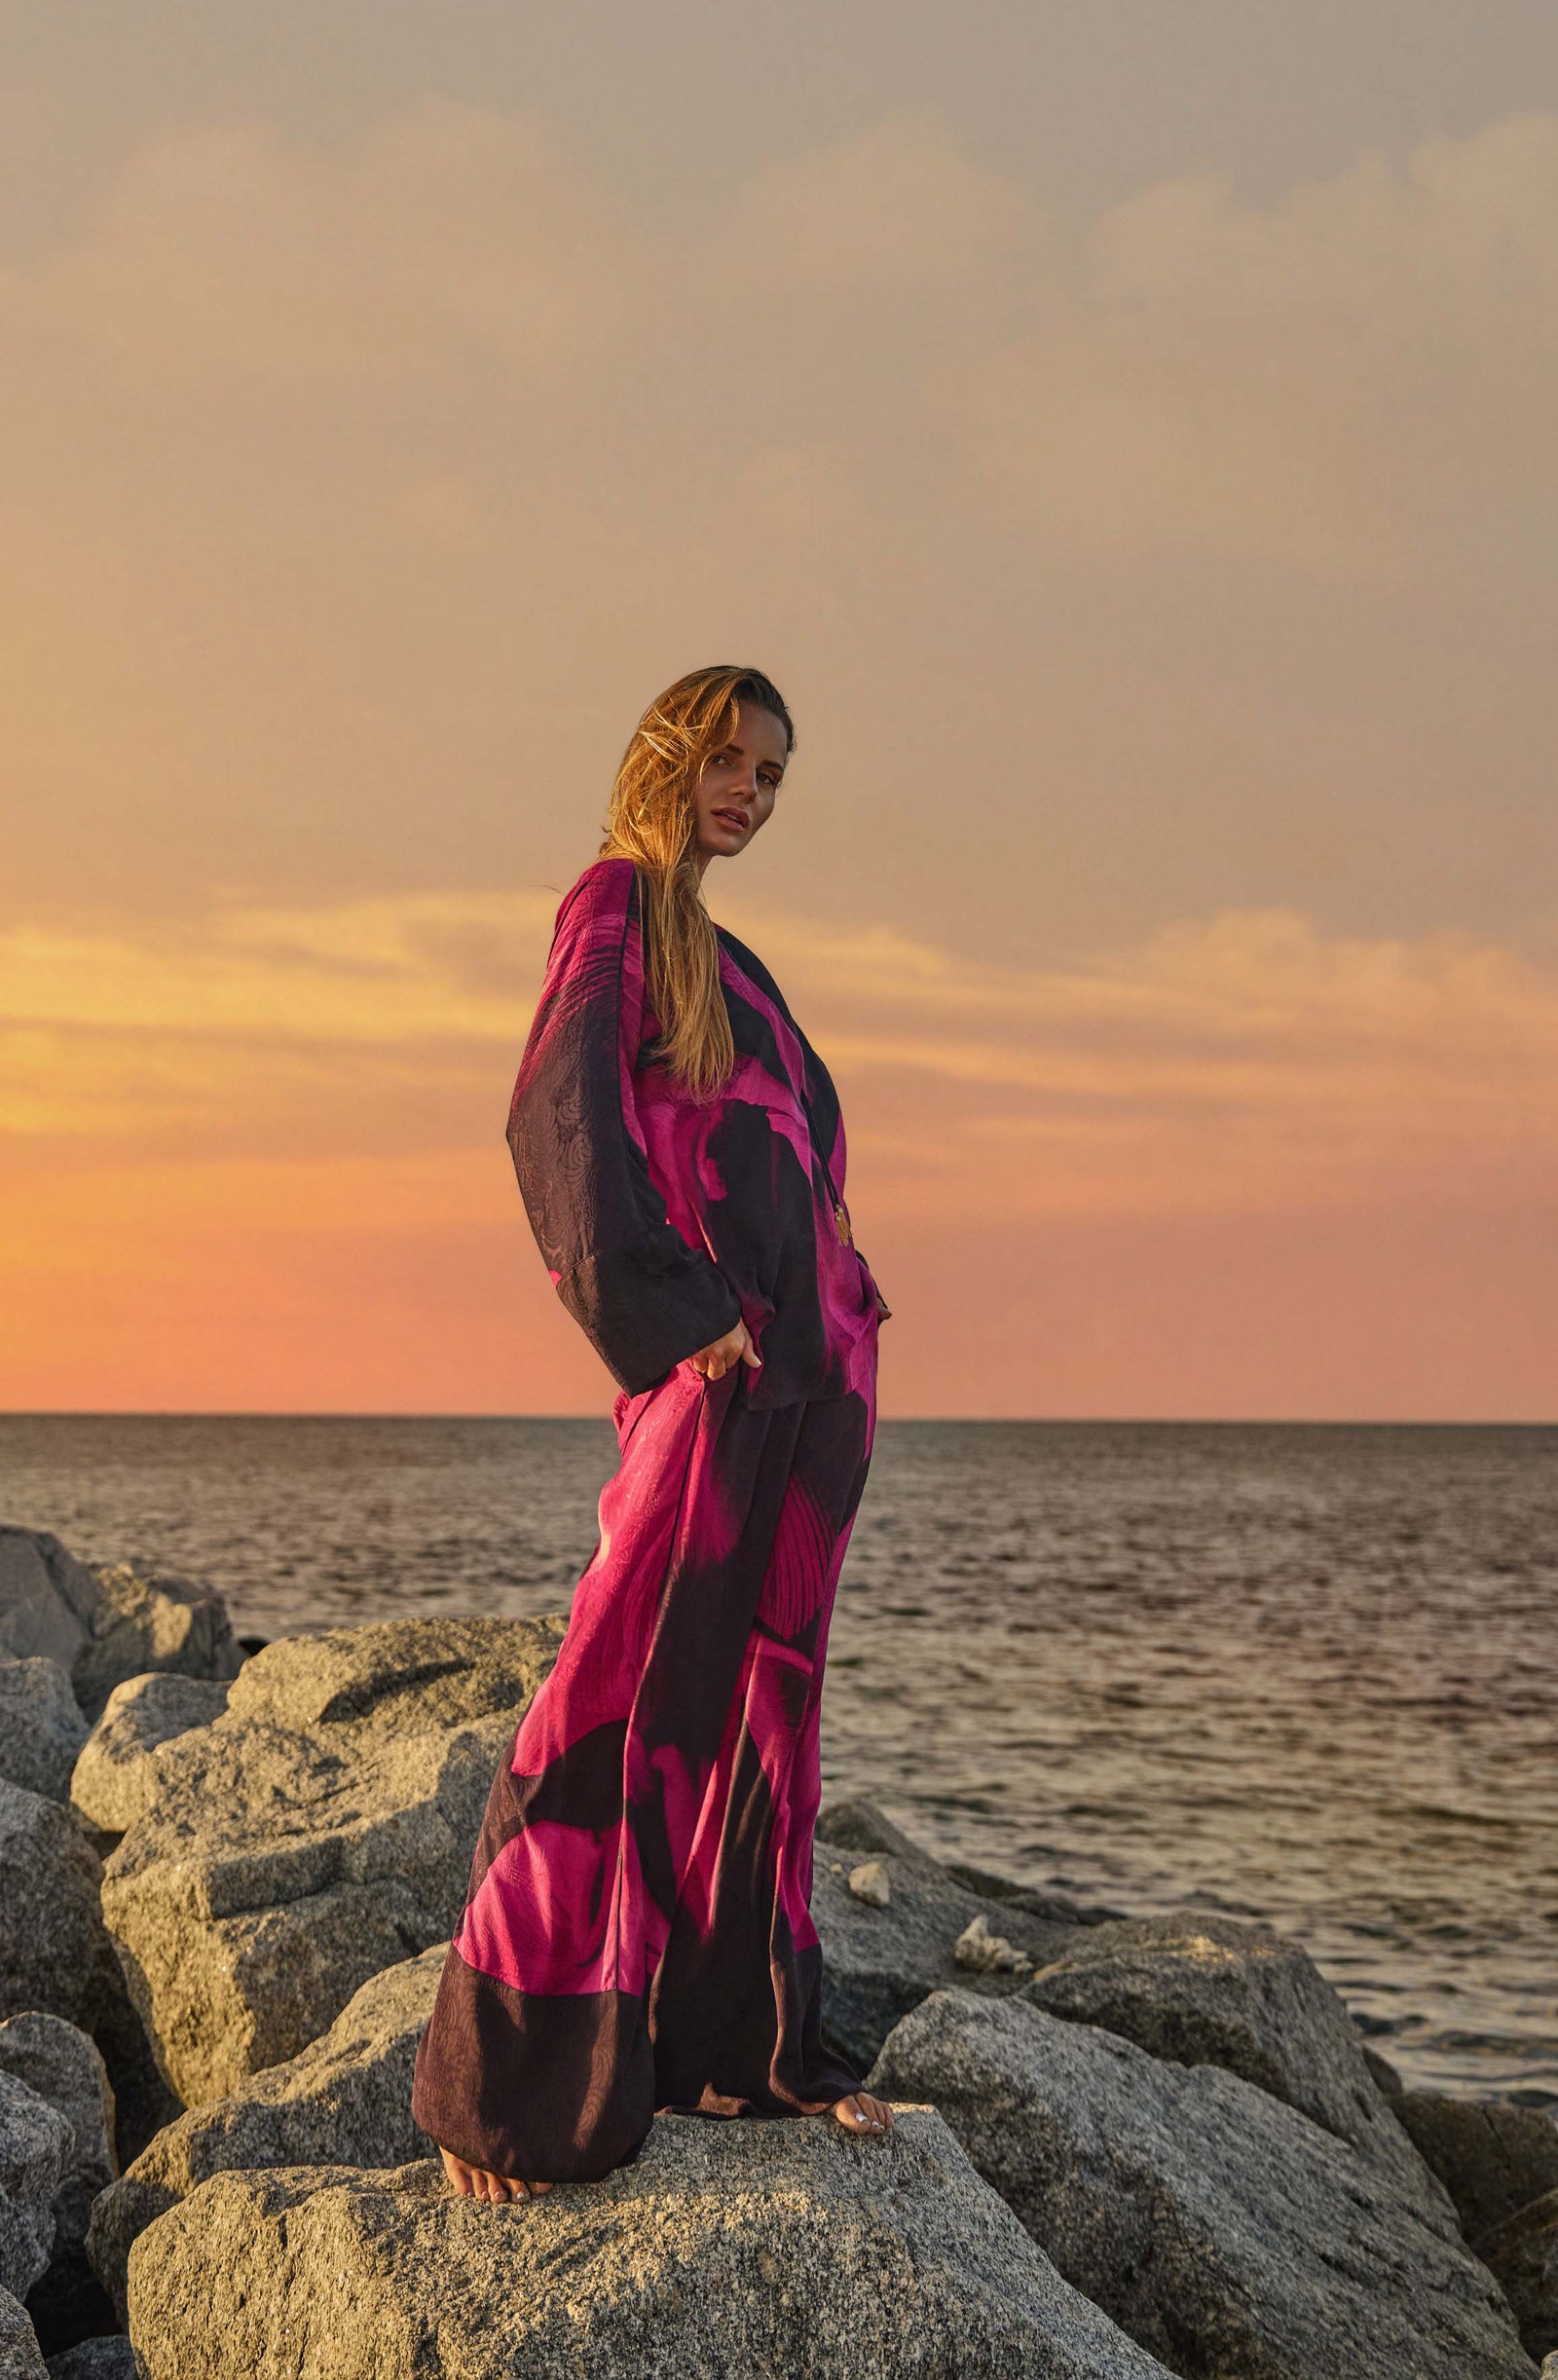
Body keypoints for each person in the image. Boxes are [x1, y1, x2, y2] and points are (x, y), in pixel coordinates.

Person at [412, 663, 893, 2202]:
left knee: (758, 1721)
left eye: (773, 774)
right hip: (710, 1375)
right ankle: (504, 2092)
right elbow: (557, 1114)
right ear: (666, 755)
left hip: (804, 1395)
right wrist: (678, 1313)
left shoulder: (728, 958)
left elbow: (786, 1161)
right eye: (730, 759)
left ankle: (742, 2052)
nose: (749, 792)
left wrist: (842, 1307)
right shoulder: (614, 904)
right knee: (616, 1694)